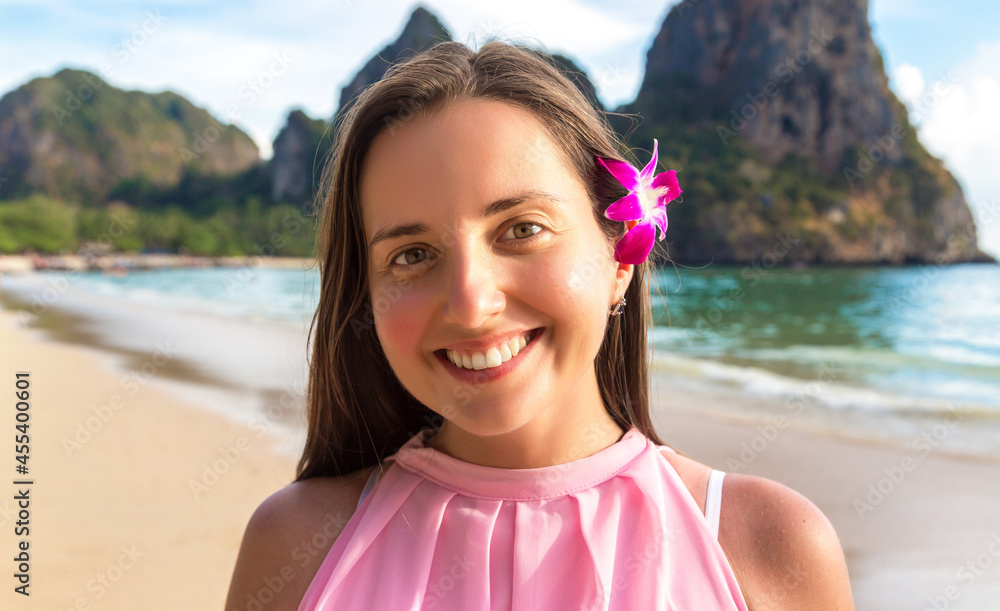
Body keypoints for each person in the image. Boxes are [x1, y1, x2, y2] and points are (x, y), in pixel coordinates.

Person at [225, 40, 855, 610]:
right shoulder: (296, 548)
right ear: (365, 296)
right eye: (411, 255)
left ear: (620, 258)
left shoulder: (768, 549)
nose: (471, 304)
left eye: (522, 229)